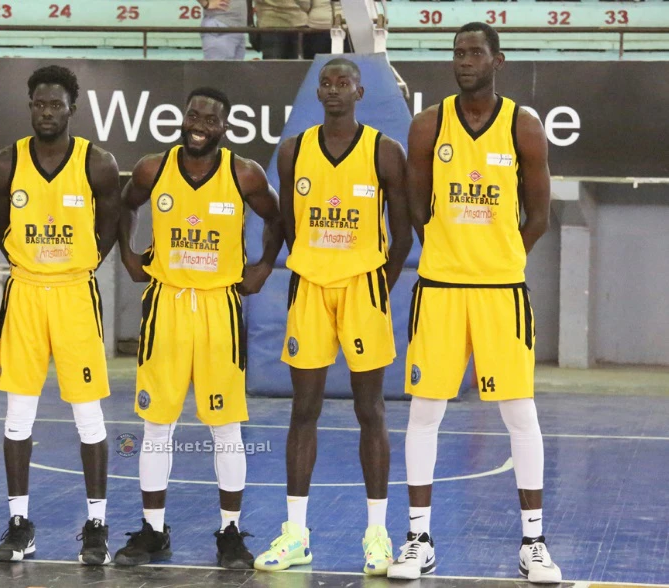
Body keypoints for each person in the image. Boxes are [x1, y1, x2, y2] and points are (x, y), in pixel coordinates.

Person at [388, 22, 560, 583]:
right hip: (439, 289)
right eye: (457, 52)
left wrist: (501, 254)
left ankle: (533, 543)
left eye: (474, 52)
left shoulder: (524, 127)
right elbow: (417, 208)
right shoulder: (427, 124)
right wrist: (453, 249)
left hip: (501, 292)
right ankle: (418, 539)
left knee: (520, 415)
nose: (464, 60)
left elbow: (538, 216)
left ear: (497, 60)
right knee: (425, 413)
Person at [254, 57, 412, 575]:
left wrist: (373, 285)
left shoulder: (385, 152)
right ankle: (296, 534)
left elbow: (403, 235)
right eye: (326, 82)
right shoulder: (292, 151)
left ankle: (377, 536)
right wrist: (316, 267)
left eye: (343, 82)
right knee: (305, 410)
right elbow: (289, 226)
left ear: (360, 91)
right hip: (311, 289)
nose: (334, 89)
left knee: (372, 411)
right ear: (318, 92)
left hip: (363, 287)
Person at [114, 87, 283, 569]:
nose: (199, 124)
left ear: (224, 127)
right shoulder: (153, 167)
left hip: (219, 308)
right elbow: (124, 204)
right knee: (156, 426)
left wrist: (264, 264)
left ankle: (230, 532)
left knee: (226, 428)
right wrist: (129, 252)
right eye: (193, 114)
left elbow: (277, 218)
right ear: (183, 118)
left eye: (210, 118)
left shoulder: (243, 172)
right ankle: (152, 530)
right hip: (166, 303)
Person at [0, 65, 121, 565]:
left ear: (72, 108)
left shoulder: (98, 163)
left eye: (56, 105)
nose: (47, 113)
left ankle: (97, 524)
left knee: (89, 414)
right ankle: (20, 522)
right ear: (30, 107)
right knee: (17, 415)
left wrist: (70, 265)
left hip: (73, 294)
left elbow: (107, 230)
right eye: (39, 104)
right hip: (23, 292)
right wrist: (34, 261)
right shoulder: (5, 163)